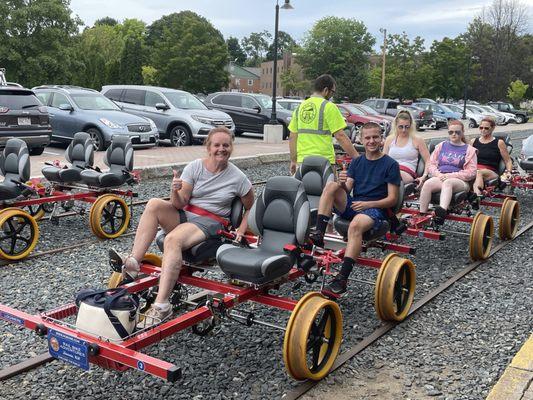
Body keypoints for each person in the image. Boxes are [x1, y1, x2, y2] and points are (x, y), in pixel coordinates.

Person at [113, 127, 254, 327]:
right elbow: (179, 204)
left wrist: (241, 229)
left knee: (172, 240)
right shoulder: (195, 167)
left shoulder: (238, 178)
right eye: (217, 145)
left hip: (212, 222)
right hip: (186, 214)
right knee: (153, 204)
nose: (221, 149)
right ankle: (134, 262)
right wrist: (175, 191)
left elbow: (251, 208)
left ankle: (162, 306)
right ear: (208, 147)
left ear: (231, 147)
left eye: (226, 145)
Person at [310, 122, 401, 296]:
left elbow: (392, 199)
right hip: (355, 204)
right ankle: (319, 235)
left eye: (375, 137)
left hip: (375, 209)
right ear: (361, 139)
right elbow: (347, 189)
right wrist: (342, 182)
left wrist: (369, 205)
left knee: (355, 226)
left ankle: (342, 278)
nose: (371, 141)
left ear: (381, 139)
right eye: (367, 138)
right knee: (331, 186)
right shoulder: (357, 162)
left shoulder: (390, 164)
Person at [288, 74, 358, 175]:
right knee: (329, 190)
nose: (332, 95)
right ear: (326, 90)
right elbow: (340, 136)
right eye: (332, 92)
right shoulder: (329, 107)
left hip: (303, 161)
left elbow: (292, 136)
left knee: (304, 189)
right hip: (324, 161)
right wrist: (357, 158)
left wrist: (293, 160)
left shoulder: (300, 107)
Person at [419, 120, 477, 222]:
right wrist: (438, 174)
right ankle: (422, 215)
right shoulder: (441, 146)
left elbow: (471, 172)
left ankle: (441, 213)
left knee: (448, 182)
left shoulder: (469, 150)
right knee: (427, 183)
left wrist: (451, 175)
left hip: (460, 181)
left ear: (462, 132)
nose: (454, 134)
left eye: (457, 132)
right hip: (441, 176)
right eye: (451, 132)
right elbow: (431, 164)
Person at [383, 110, 430, 186]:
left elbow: (428, 160)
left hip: (407, 172)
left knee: (392, 175)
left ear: (411, 125)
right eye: (401, 127)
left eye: (407, 127)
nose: (404, 130)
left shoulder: (417, 140)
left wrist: (424, 176)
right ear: (396, 125)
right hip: (390, 170)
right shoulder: (389, 139)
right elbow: (383, 160)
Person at [471, 117, 512, 196]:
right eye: (481, 127)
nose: (483, 130)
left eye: (486, 128)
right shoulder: (473, 141)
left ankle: (477, 196)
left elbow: (508, 160)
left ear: (493, 128)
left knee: (478, 172)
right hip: (473, 169)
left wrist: (509, 172)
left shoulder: (499, 142)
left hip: (491, 171)